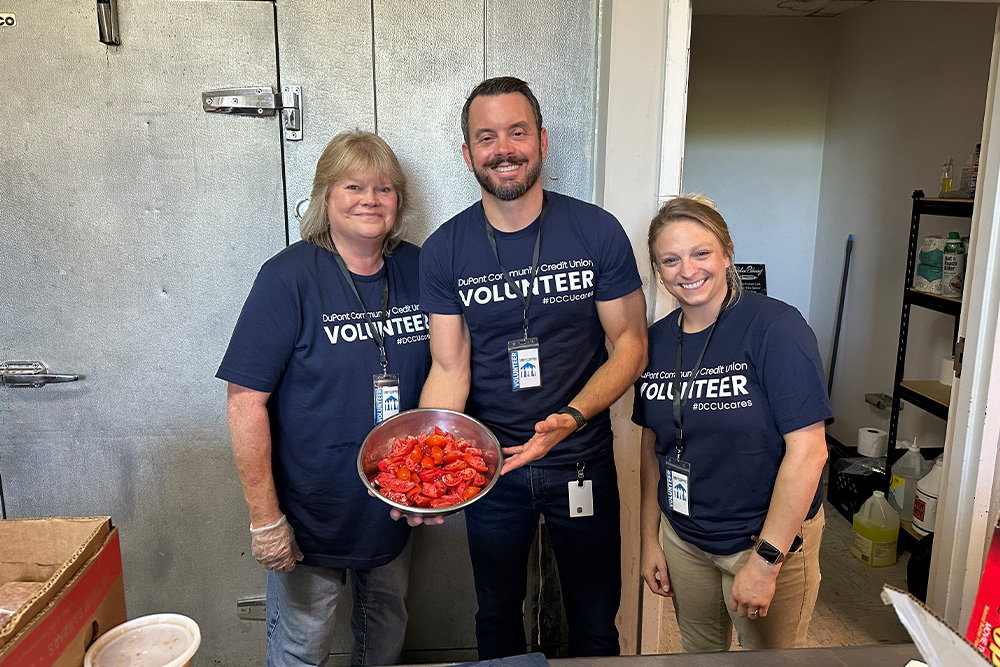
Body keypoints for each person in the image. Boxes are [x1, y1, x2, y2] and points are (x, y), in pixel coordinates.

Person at [417, 76, 648, 659]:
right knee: (496, 615)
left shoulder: (595, 231)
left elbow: (630, 346)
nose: (504, 148)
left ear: (541, 140)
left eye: (517, 131)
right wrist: (425, 468)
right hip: (491, 468)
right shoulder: (446, 248)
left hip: (582, 458)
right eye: (486, 137)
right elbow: (449, 367)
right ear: (468, 154)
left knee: (595, 618)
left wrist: (570, 417)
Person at [217, 130, 431, 667]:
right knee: (301, 645)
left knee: (385, 630)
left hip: (394, 502)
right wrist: (265, 520)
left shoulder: (420, 268)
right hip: (314, 508)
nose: (370, 200)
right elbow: (245, 401)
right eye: (353, 186)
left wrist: (429, 482)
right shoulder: (288, 276)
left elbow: (450, 372)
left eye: (385, 188)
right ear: (325, 197)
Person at [634, 195, 831, 653]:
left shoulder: (776, 327)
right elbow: (652, 448)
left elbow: (810, 451)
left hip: (763, 540)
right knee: (701, 656)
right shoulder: (656, 342)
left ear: (727, 254)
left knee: (772, 662)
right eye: (670, 259)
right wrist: (651, 541)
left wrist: (765, 561)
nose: (687, 270)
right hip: (685, 538)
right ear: (658, 270)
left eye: (701, 253)